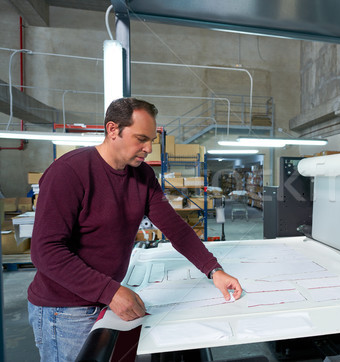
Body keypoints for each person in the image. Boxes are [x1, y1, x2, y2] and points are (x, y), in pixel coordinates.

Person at [27, 97, 242, 361]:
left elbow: (176, 228)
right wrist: (111, 291)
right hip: (65, 310)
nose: (148, 148)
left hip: (104, 298)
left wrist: (213, 269)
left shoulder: (142, 175)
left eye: (152, 140)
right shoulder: (69, 172)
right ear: (113, 130)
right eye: (141, 138)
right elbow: (45, 251)